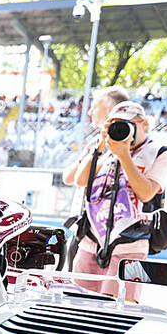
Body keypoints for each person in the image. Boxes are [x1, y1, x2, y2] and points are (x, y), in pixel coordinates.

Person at [70, 101, 167, 301]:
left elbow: (147, 193)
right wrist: (100, 148)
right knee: (79, 302)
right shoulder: (107, 151)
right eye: (115, 124)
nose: (121, 129)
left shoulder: (160, 152)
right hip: (91, 241)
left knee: (123, 307)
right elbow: (80, 180)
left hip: (132, 244)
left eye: (127, 124)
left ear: (143, 124)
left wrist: (124, 156)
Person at [61, 86, 130, 269]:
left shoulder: (131, 144)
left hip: (109, 232)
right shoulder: (96, 142)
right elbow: (69, 177)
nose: (90, 111)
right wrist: (97, 151)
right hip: (84, 228)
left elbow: (78, 178)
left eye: (94, 106)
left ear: (110, 109)